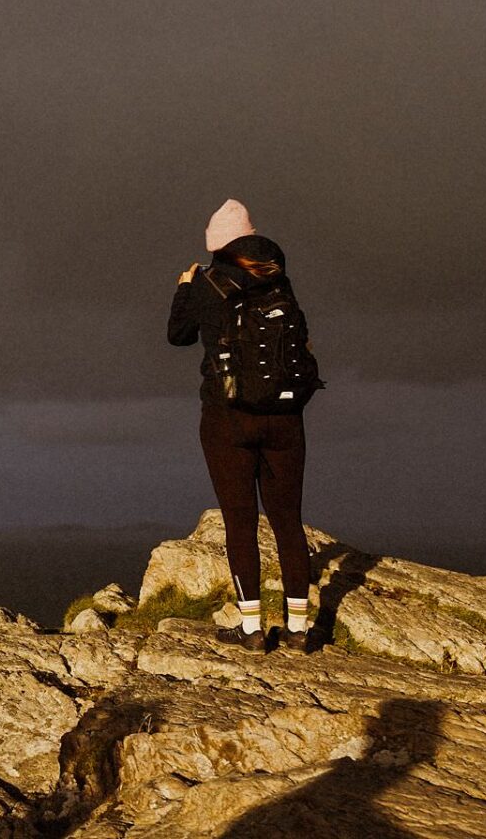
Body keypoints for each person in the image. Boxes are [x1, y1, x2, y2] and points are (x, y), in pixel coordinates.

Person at [167, 199, 316, 653]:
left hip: (226, 419)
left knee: (240, 522)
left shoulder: (207, 284)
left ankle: (251, 629)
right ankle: (298, 630)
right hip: (285, 419)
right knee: (288, 522)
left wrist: (183, 287)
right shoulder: (280, 283)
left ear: (215, 246)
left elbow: (178, 335)